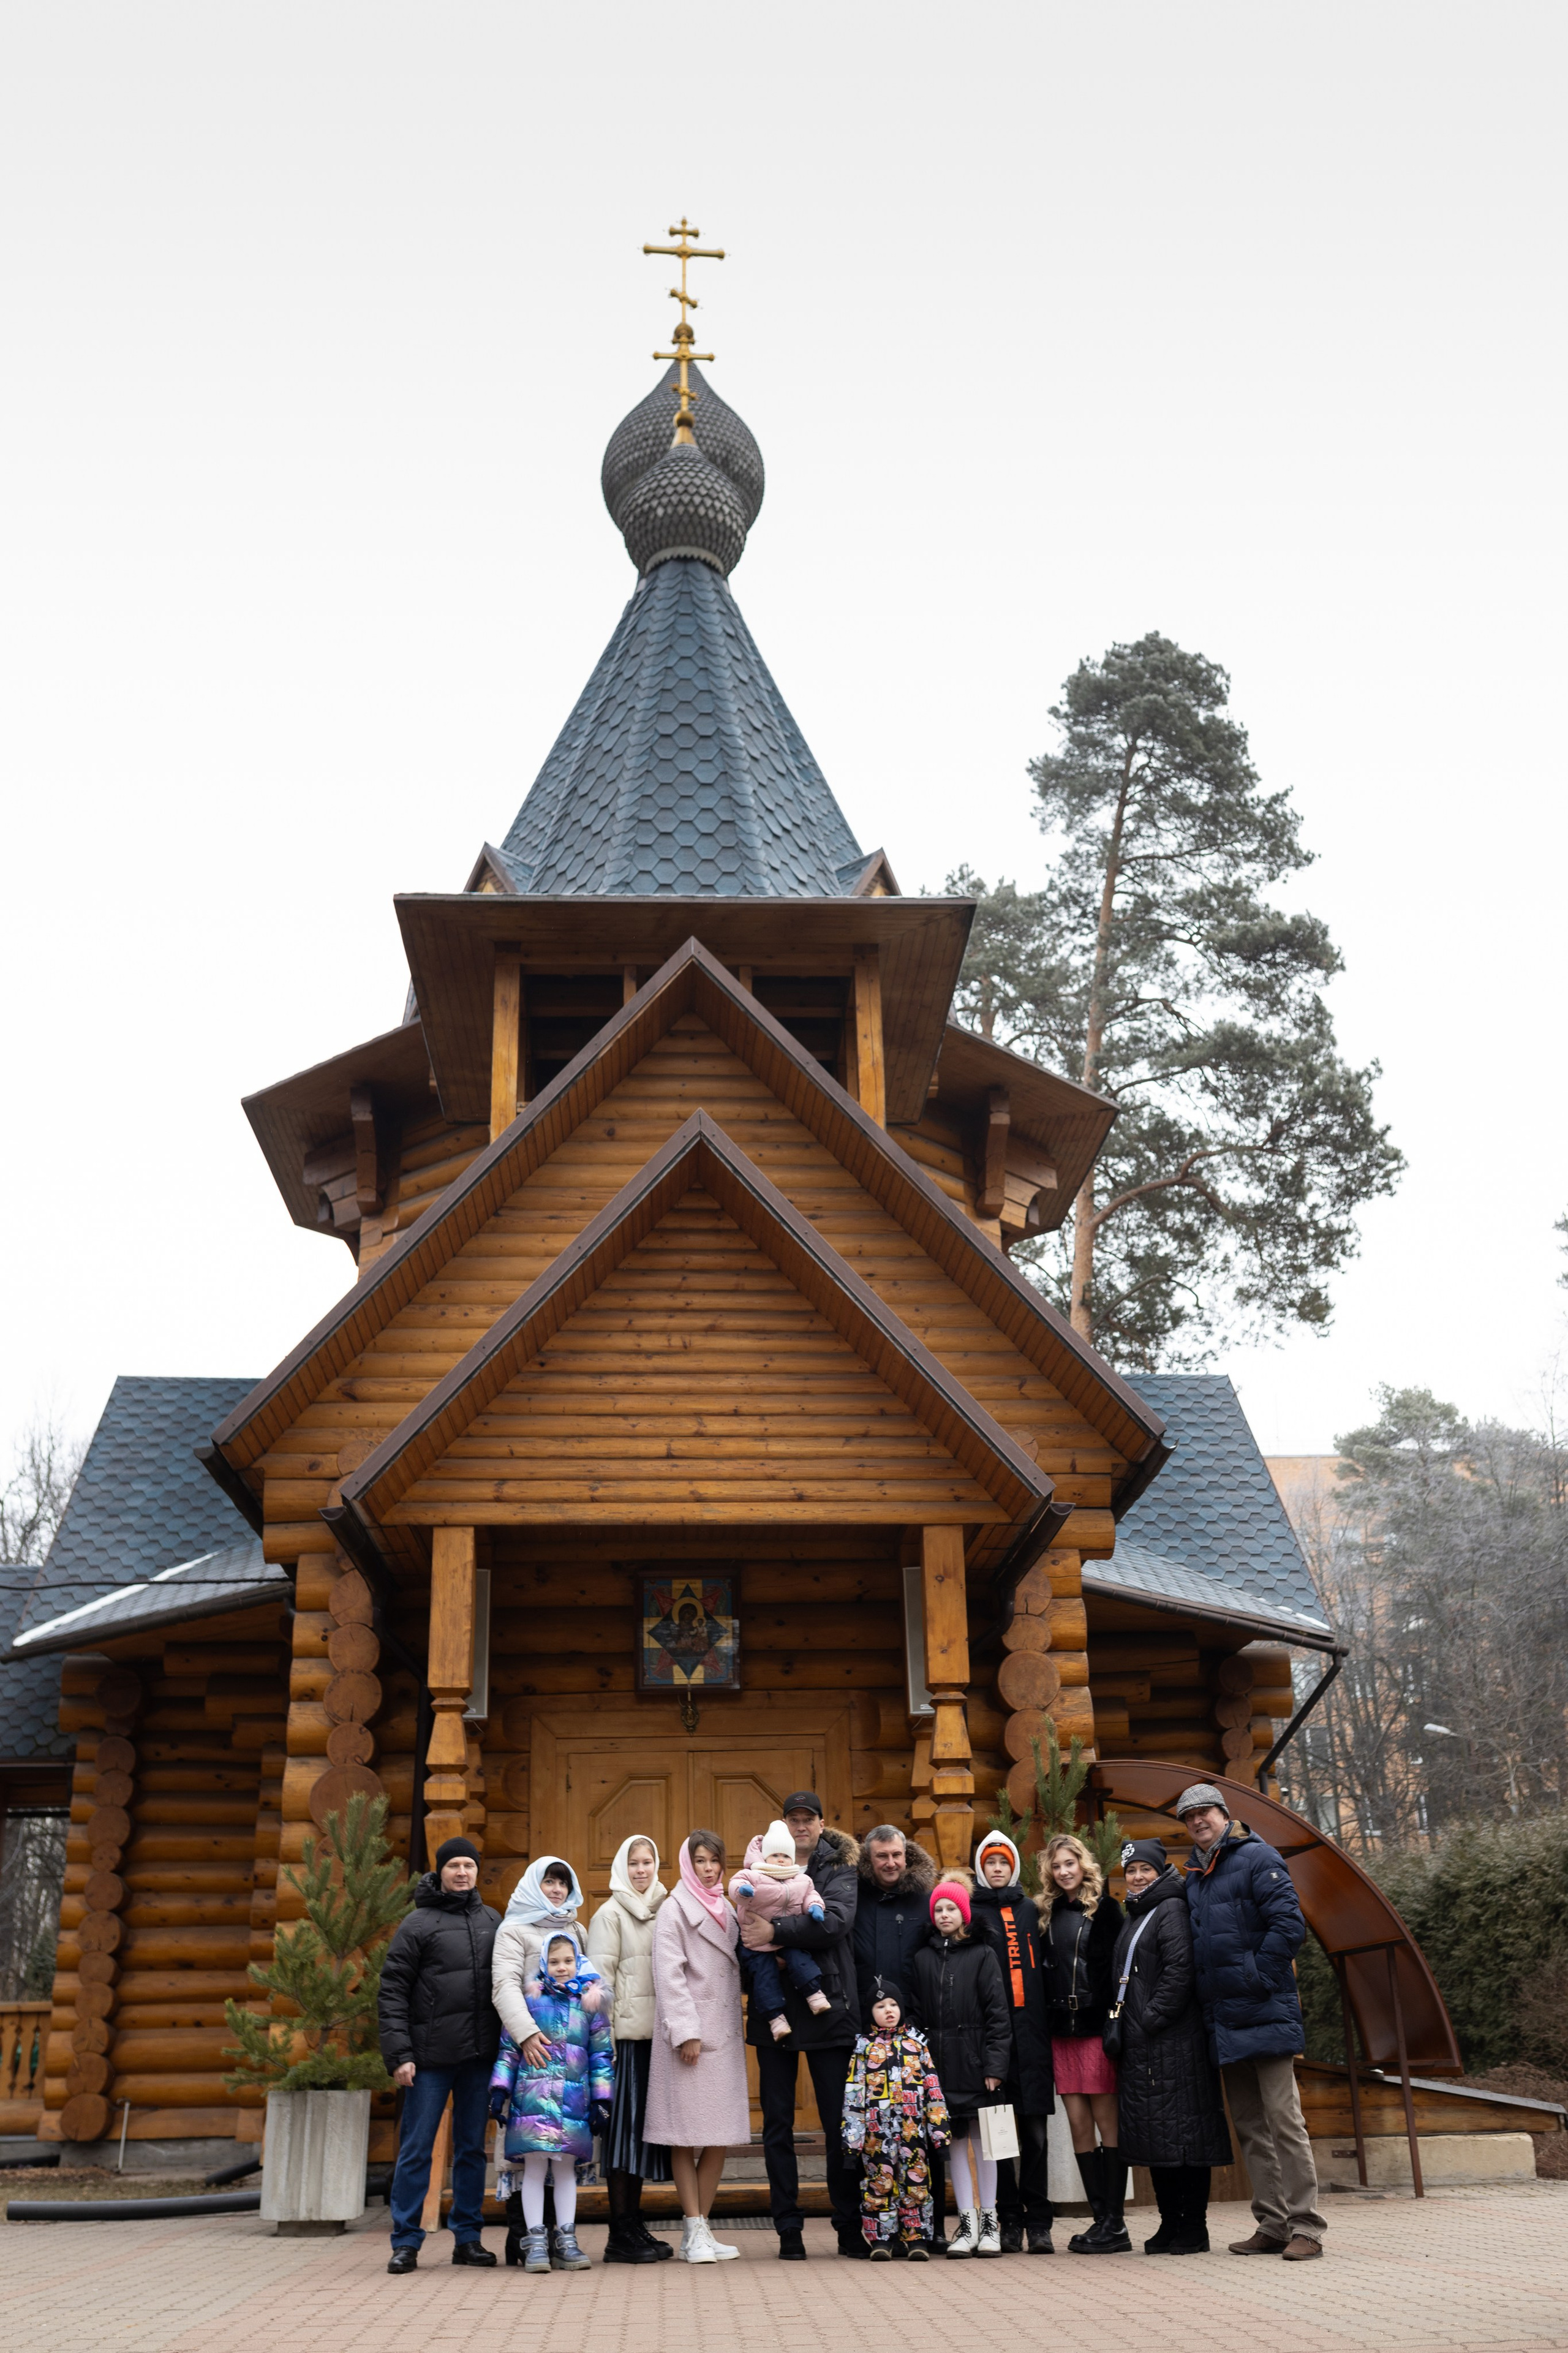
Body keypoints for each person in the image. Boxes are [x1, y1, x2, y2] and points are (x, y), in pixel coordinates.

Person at [1178, 1783, 1326, 2262]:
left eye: (1205, 1812)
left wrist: (1255, 1975)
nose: (1198, 1820)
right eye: (1189, 1816)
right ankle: (1273, 2223)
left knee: (1285, 2121)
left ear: (1224, 1814)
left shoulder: (1258, 1858)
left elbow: (1289, 1925)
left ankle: (1307, 2226)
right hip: (1224, 2018)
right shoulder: (1195, 1876)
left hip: (1263, 2008)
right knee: (1250, 2126)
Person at [737, 1791, 861, 2262]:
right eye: (794, 1819)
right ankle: (788, 2227)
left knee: (838, 2124)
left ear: (822, 1823)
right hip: (775, 2012)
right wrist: (759, 1948)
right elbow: (743, 1927)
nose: (802, 1826)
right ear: (783, 1826)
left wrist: (775, 1933)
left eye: (809, 1819)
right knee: (778, 2126)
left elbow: (834, 1924)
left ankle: (848, 2225)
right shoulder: (756, 1866)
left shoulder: (840, 1867)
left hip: (828, 2008)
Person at [377, 1834, 502, 2274]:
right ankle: (406, 2241)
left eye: (469, 1865)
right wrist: (400, 2055)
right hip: (428, 2060)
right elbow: (392, 1991)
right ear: (441, 1871)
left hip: (478, 2057)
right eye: (454, 1866)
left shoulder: (492, 1920)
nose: (462, 1872)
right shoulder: (418, 1924)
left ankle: (468, 2238)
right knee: (417, 2149)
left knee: (471, 2150)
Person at [1111, 1837, 1232, 2254]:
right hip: (1145, 2045)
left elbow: (1180, 1971)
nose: (1138, 1876)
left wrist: (1150, 2018)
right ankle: (1169, 2223)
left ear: (1160, 1870)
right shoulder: (1138, 1913)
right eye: (1131, 1870)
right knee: (1156, 2139)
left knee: (1186, 2140)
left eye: (1145, 1868)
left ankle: (1194, 2227)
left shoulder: (1171, 1908)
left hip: (1174, 2042)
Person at [644, 1830, 750, 2264]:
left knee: (719, 2135)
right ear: (688, 1864)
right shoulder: (674, 1909)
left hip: (723, 2035)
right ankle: (694, 2225)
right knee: (685, 2136)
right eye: (701, 1860)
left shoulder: (727, 1906)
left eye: (715, 1860)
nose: (709, 1868)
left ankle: (701, 2229)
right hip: (690, 2039)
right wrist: (687, 2031)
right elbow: (669, 1973)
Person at [489, 1933, 614, 2273]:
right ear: (544, 1963)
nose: (562, 1968)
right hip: (531, 2101)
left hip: (572, 2103)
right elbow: (509, 2049)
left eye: (568, 1961)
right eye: (555, 1962)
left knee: (564, 2172)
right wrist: (499, 2090)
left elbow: (601, 2055)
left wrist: (602, 2100)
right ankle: (535, 2241)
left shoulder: (591, 2005)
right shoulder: (531, 2001)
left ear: (579, 1962)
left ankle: (567, 2239)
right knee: (533, 2170)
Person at [909, 1878, 1011, 2259]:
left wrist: (995, 2064)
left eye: (951, 1908)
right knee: (954, 2143)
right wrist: (922, 2067)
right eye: (938, 1909)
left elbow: (998, 2015)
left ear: (964, 1914)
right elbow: (916, 2014)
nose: (944, 1915)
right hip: (939, 2067)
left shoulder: (984, 1954)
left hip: (977, 2063)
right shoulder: (922, 1958)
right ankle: (966, 2223)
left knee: (986, 2143)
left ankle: (990, 2223)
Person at [853, 1825, 944, 2242]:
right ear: (869, 1861)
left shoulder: (925, 1899)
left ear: (906, 1855)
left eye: (896, 1855)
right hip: (866, 2035)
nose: (890, 1863)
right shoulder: (856, 1896)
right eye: (881, 1857)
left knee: (922, 2132)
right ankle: (876, 2231)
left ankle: (931, 2227)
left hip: (917, 2033)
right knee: (874, 2134)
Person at [586, 1833, 674, 2265]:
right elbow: (598, 1987)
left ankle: (633, 2223)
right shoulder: (609, 1914)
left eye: (648, 1862)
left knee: (641, 2139)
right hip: (623, 2044)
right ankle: (619, 2232)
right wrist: (604, 2045)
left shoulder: (667, 1909)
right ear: (623, 1866)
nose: (642, 1870)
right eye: (634, 1863)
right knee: (623, 2139)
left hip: (656, 2041)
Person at [1039, 1830, 1126, 2253]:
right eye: (1056, 1866)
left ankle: (1116, 2223)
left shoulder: (1108, 1910)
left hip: (1095, 2026)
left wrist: (1115, 2021)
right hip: (1062, 2029)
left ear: (1083, 1863)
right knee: (1077, 2124)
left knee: (1107, 2124)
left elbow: (1118, 1973)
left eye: (1069, 1863)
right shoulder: (1047, 1913)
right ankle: (1099, 2220)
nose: (1064, 1871)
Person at [970, 1830, 1055, 2254]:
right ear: (981, 1868)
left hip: (1034, 2038)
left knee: (1036, 2135)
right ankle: (1008, 2219)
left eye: (1004, 1861)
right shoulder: (972, 1912)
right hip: (995, 2040)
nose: (998, 1868)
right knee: (1000, 2136)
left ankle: (1040, 2222)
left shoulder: (1031, 1910)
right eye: (990, 1862)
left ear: (1014, 1866)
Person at [842, 1976, 951, 2259]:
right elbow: (854, 2097)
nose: (889, 2010)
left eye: (893, 2004)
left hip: (913, 2133)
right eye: (880, 2006)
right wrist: (852, 2143)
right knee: (879, 2185)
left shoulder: (917, 2045)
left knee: (916, 2186)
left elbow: (933, 2090)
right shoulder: (863, 2049)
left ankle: (917, 2240)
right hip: (876, 2137)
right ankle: (882, 2240)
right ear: (871, 2013)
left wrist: (940, 2134)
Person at [730, 1819, 832, 2039]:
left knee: (800, 1960)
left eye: (786, 1856)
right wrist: (744, 1891)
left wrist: (815, 1907)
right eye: (776, 1855)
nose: (781, 1860)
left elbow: (810, 1895)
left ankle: (814, 1994)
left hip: (787, 1937)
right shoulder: (754, 1875)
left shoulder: (801, 1879)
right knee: (764, 1976)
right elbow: (735, 1885)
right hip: (757, 1943)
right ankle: (776, 2019)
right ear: (765, 1857)